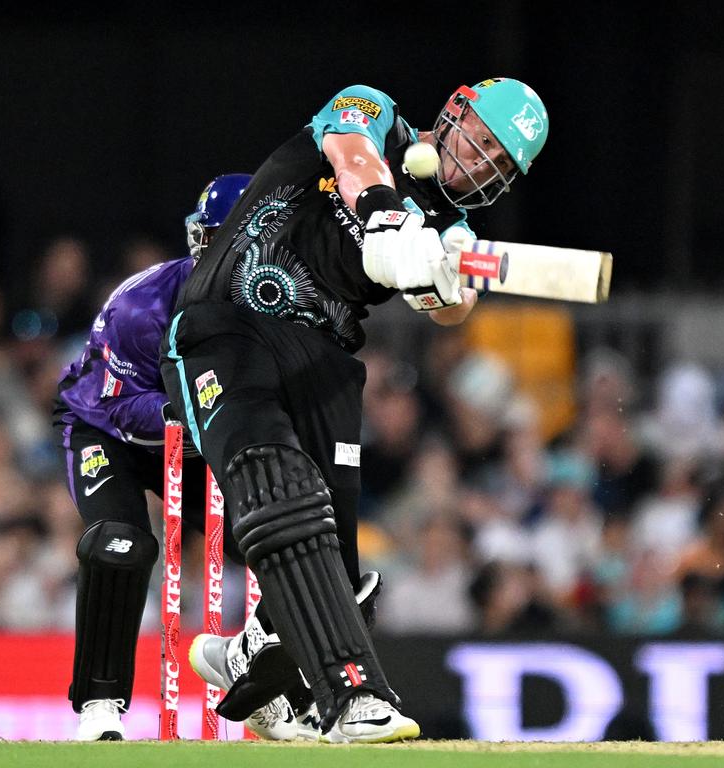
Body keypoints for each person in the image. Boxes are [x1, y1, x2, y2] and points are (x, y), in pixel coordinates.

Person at [161, 78, 547, 742]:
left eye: (498, 164)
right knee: (279, 495)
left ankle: (250, 661)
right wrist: (386, 213)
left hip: (325, 360)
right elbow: (350, 153)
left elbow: (453, 310)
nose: (480, 163)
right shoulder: (373, 113)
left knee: (341, 572)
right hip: (229, 325)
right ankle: (355, 696)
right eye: (481, 142)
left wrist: (448, 276)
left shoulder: (446, 226)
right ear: (452, 112)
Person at [53, 174, 265, 740]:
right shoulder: (140, 307)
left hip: (195, 436)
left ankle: (269, 687)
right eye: (207, 241)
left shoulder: (277, 308)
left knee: (272, 538)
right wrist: (203, 406)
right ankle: (99, 706)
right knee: (119, 545)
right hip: (107, 430)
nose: (212, 259)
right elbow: (124, 409)